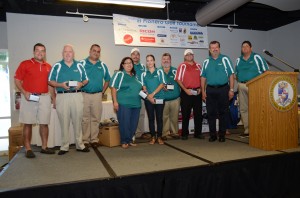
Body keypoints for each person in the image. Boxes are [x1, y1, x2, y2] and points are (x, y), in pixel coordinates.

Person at [14, 43, 55, 158]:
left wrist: (54, 98)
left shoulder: (48, 66)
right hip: (29, 97)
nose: (40, 53)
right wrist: (24, 92)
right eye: (37, 50)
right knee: (27, 123)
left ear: (45, 53)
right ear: (33, 52)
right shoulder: (25, 64)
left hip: (45, 97)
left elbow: (50, 84)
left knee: (44, 123)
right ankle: (28, 149)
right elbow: (17, 80)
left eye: (42, 51)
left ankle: (44, 147)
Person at [48, 44, 90, 155]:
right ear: (62, 54)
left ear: (73, 53)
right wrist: (60, 85)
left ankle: (80, 145)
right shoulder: (57, 66)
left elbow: (86, 80)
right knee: (64, 122)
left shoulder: (80, 65)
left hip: (77, 95)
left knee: (78, 121)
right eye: (65, 52)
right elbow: (50, 81)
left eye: (70, 51)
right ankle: (64, 146)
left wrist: (81, 83)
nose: (67, 53)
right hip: (62, 96)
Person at [201, 41, 235, 142]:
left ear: (219, 49)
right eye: (212, 47)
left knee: (223, 113)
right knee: (211, 113)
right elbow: (203, 77)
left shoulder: (225, 59)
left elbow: (231, 75)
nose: (214, 49)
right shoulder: (206, 61)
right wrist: (203, 91)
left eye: (216, 47)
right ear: (209, 50)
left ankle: (222, 135)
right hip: (210, 90)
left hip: (223, 89)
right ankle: (212, 135)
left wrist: (231, 90)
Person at [235, 40, 269, 138]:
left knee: (256, 108)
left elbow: (266, 71)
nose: (244, 48)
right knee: (243, 109)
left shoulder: (257, 57)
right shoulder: (238, 60)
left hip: (255, 85)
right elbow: (236, 73)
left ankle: (259, 129)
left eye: (246, 46)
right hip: (241, 85)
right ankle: (247, 130)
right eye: (243, 46)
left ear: (251, 48)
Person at [80, 44, 111, 148]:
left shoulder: (102, 65)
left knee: (95, 118)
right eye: (94, 51)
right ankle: (85, 140)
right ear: (90, 51)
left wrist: (102, 91)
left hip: (97, 95)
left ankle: (94, 140)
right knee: (85, 119)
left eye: (98, 51)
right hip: (84, 94)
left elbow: (107, 79)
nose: (96, 53)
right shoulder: (82, 63)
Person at [109, 57, 142, 149]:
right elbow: (113, 88)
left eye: (130, 63)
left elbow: (139, 88)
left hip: (136, 104)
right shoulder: (119, 74)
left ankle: (130, 140)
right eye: (126, 63)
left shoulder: (135, 76)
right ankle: (124, 141)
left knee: (133, 123)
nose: (129, 64)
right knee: (125, 123)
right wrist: (115, 102)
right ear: (122, 65)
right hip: (124, 103)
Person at [175, 49, 203, 140]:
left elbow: (203, 78)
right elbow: (178, 79)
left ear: (193, 55)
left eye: (191, 54)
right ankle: (184, 134)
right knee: (185, 114)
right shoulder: (182, 66)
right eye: (187, 55)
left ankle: (198, 133)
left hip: (197, 93)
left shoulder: (198, 65)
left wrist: (201, 89)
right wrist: (185, 90)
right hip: (186, 92)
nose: (189, 56)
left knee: (198, 114)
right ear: (184, 56)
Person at [141, 54, 166, 145]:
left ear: (154, 61)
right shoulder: (144, 73)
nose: (149, 62)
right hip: (149, 100)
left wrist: (153, 94)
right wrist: (149, 96)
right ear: (146, 62)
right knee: (151, 118)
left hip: (159, 98)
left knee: (159, 118)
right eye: (148, 60)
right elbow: (144, 87)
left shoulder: (160, 72)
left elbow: (162, 84)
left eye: (151, 60)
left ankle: (159, 137)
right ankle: (152, 137)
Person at [160, 53, 181, 140]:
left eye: (167, 59)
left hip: (175, 98)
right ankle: (164, 133)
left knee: (174, 116)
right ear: (161, 61)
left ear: (170, 60)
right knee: (164, 117)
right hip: (163, 99)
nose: (166, 60)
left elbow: (181, 83)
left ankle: (174, 132)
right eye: (164, 59)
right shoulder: (158, 71)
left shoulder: (175, 71)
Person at [131, 48, 147, 138]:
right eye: (134, 54)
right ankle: (132, 132)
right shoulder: (128, 65)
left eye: (137, 54)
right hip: (132, 94)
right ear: (131, 56)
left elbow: (146, 79)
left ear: (139, 56)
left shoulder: (143, 66)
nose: (135, 56)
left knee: (141, 114)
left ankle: (140, 133)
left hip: (142, 94)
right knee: (132, 114)